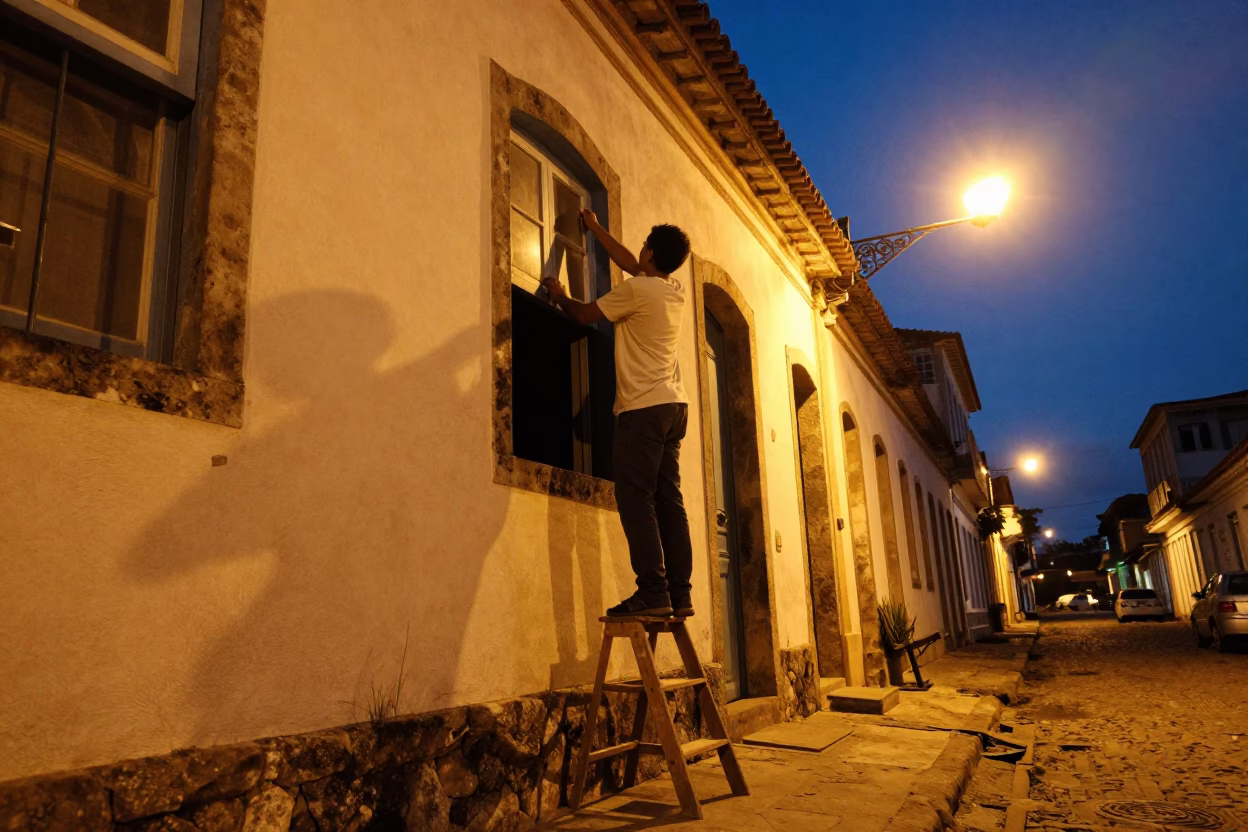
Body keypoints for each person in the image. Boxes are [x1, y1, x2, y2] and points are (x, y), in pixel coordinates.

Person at [541, 209, 693, 618]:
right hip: (674, 407)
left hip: (642, 410)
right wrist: (596, 228)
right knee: (668, 500)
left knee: (634, 497)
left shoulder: (638, 292)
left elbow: (587, 314)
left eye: (643, 247)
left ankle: (652, 592)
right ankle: (680, 594)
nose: (637, 254)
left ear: (650, 254)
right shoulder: (672, 288)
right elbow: (629, 263)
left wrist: (559, 297)